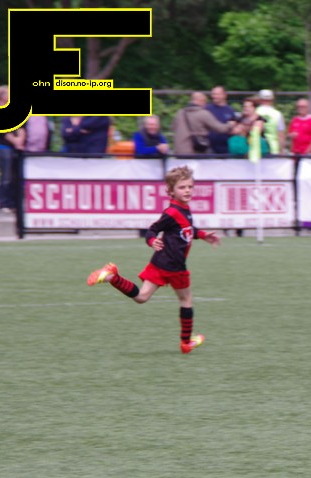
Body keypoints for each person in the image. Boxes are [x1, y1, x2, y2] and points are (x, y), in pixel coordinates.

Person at [85, 165, 220, 354]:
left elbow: (187, 230)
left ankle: (112, 277)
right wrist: (151, 240)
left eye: (190, 186)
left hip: (160, 262)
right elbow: (152, 230)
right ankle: (186, 342)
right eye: (182, 187)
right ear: (170, 191)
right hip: (175, 266)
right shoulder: (172, 212)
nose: (187, 190)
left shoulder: (184, 209)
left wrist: (203, 235)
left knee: (142, 297)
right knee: (186, 299)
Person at [0, 85, 25, 213]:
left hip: (16, 147)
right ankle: (4, 203)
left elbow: (21, 125)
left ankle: (14, 202)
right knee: (6, 176)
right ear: (2, 96)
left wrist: (20, 139)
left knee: (15, 175)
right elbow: (2, 130)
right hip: (4, 147)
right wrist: (15, 141)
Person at [205, 85, 237, 155]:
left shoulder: (230, 110)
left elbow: (234, 126)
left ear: (224, 95)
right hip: (210, 147)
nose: (214, 96)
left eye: (217, 94)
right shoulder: (207, 109)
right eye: (213, 94)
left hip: (226, 147)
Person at [255, 89, 285, 155]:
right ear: (272, 100)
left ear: (259, 99)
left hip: (257, 148)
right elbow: (281, 135)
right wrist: (282, 150)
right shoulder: (278, 114)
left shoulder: (255, 112)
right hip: (273, 148)